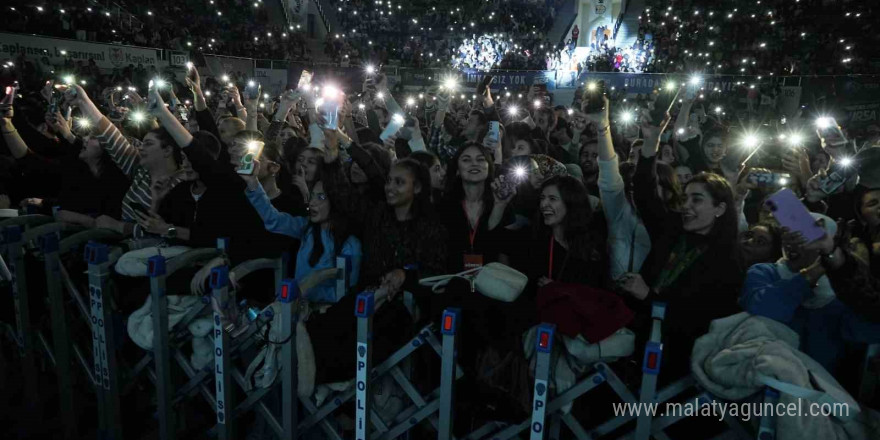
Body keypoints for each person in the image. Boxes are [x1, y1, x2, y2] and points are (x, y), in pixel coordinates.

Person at [619, 116, 743, 383]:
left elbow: (699, 319)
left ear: (720, 209)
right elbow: (645, 195)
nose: (686, 206)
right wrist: (652, 141)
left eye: (697, 200)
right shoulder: (672, 230)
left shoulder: (728, 261)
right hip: (640, 339)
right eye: (685, 198)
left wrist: (647, 296)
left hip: (683, 362)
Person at [740, 213, 880, 373]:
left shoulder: (838, 290)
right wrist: (811, 273)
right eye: (788, 234)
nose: (793, 243)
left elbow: (868, 330)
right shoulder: (765, 271)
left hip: (816, 385)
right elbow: (762, 309)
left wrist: (834, 265)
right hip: (761, 373)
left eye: (804, 237)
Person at [243, 169, 361, 303]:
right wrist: (253, 183)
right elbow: (273, 220)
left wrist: (305, 292)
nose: (312, 203)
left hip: (322, 315)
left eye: (321, 197)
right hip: (295, 308)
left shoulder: (351, 245)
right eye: (312, 195)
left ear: (337, 201)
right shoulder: (306, 228)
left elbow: (347, 296)